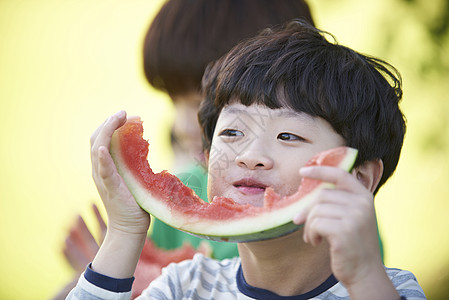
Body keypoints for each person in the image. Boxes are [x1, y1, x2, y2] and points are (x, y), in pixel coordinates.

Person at [67, 20, 426, 299]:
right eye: (231, 134)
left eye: (288, 136)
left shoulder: (389, 289)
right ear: (205, 159)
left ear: (359, 178)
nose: (251, 157)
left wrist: (364, 277)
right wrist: (124, 232)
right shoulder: (183, 287)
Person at [53, 1, 316, 299]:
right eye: (173, 100)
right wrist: (114, 259)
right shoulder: (179, 194)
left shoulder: (332, 207)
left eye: (202, 101)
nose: (181, 125)